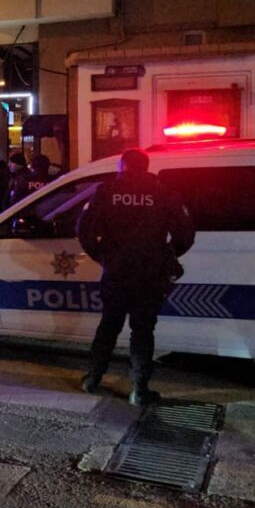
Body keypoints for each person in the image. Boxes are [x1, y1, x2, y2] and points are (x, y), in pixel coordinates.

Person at [77, 148, 196, 406]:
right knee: (142, 330)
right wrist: (167, 254)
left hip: (117, 271)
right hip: (150, 273)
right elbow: (186, 233)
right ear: (146, 166)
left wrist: (104, 256)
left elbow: (84, 230)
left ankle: (93, 379)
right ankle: (139, 390)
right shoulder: (164, 192)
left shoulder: (106, 191)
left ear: (122, 166)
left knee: (109, 325)